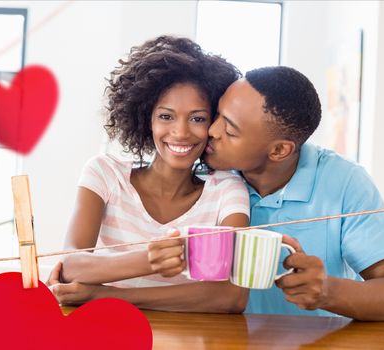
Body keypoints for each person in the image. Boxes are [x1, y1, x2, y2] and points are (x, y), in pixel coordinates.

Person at [149, 66, 384, 320]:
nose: (211, 131)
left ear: (279, 151)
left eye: (229, 130)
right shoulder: (201, 173)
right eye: (215, 115)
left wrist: (328, 291)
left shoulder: (345, 182)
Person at [46, 36, 250, 313]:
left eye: (197, 118)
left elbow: (230, 297)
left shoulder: (226, 190)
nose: (180, 132)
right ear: (146, 119)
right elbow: (70, 265)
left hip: (190, 338)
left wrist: (105, 296)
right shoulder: (105, 174)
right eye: (166, 116)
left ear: (213, 122)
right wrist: (149, 259)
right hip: (109, 333)